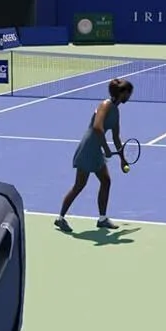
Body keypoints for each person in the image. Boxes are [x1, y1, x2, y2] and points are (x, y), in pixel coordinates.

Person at [55, 78, 134, 232]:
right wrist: (106, 148)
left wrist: (122, 159)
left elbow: (116, 137)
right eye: (128, 93)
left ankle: (102, 219)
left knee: (106, 181)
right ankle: (60, 218)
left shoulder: (116, 111)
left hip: (96, 149)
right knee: (79, 185)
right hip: (89, 148)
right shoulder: (105, 105)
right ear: (122, 93)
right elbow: (98, 127)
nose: (129, 96)